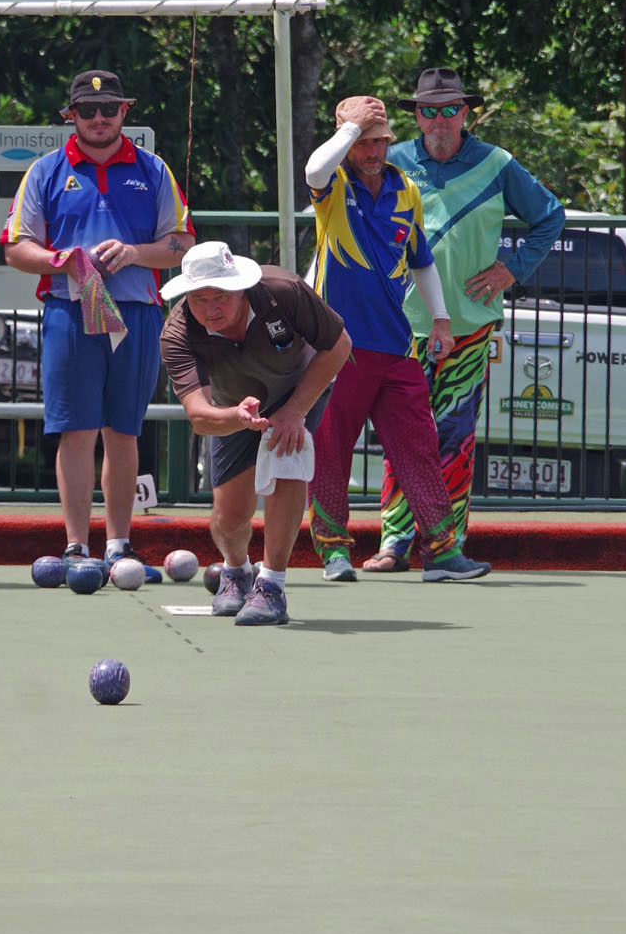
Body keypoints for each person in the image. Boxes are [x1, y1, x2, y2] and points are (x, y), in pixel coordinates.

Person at [360, 66, 566, 569]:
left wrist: (512, 269)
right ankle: (394, 543)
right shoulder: (392, 160)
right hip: (399, 326)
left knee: (454, 437)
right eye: (429, 111)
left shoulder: (497, 163)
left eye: (450, 109)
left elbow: (550, 215)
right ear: (416, 116)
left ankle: (444, 546)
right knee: (400, 434)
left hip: (469, 325)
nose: (439, 119)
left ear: (466, 113)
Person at [0, 68, 194, 568]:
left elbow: (182, 243)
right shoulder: (44, 170)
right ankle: (76, 545)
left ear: (124, 111)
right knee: (76, 430)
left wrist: (134, 253)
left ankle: (119, 545)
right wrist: (61, 260)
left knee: (124, 431)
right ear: (72, 115)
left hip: (136, 311)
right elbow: (16, 248)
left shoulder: (153, 169)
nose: (99, 118)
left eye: (109, 109)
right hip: (71, 309)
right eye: (87, 110)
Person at [305, 95, 491, 582]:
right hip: (337, 347)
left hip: (397, 345)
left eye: (380, 142)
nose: (373, 151)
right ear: (347, 142)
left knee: (419, 448)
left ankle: (442, 552)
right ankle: (333, 551)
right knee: (331, 449)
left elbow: (421, 260)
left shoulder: (405, 187)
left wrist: (442, 318)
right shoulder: (334, 183)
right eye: (363, 143)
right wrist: (349, 129)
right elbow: (313, 169)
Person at [160, 241, 352, 625]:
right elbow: (199, 415)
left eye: (221, 296)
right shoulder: (177, 334)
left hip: (299, 390)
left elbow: (339, 345)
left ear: (240, 287)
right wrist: (236, 417)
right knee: (230, 517)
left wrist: (294, 411)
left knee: (285, 460)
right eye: (199, 299)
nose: (211, 309)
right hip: (232, 409)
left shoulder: (285, 292)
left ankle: (272, 586)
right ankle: (236, 571)